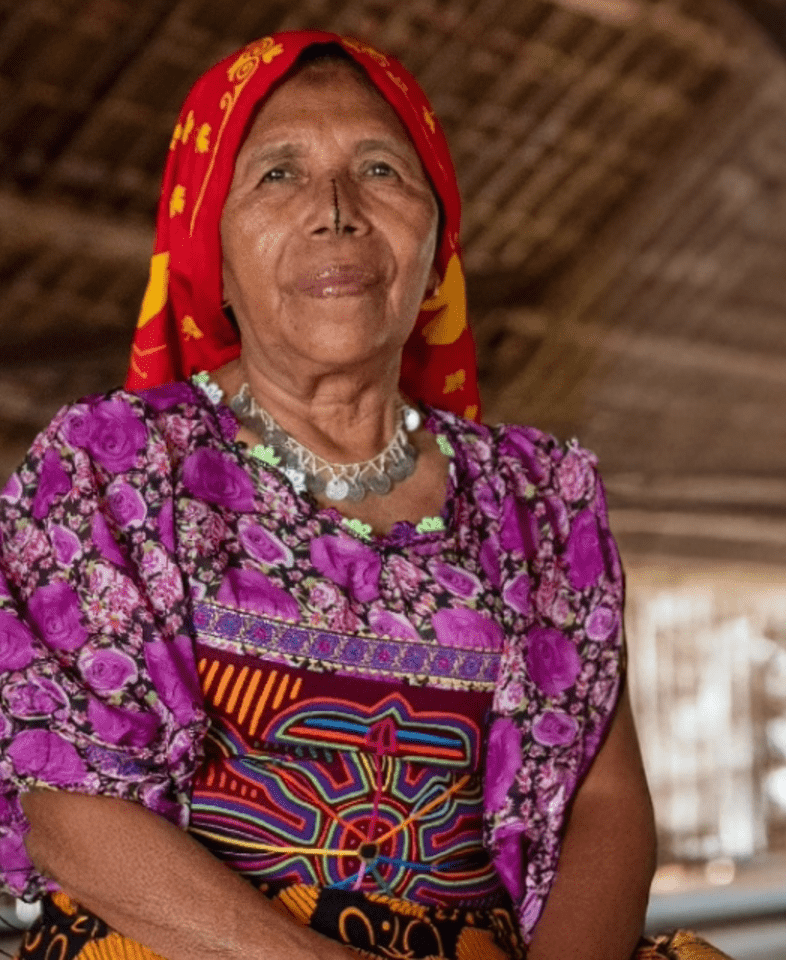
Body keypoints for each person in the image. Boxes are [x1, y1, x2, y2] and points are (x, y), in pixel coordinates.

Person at [0, 31, 723, 960]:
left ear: (436, 237)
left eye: (379, 169)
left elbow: (607, 803)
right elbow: (67, 806)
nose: (334, 211)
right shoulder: (114, 467)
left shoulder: (538, 497)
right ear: (207, 249)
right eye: (276, 176)